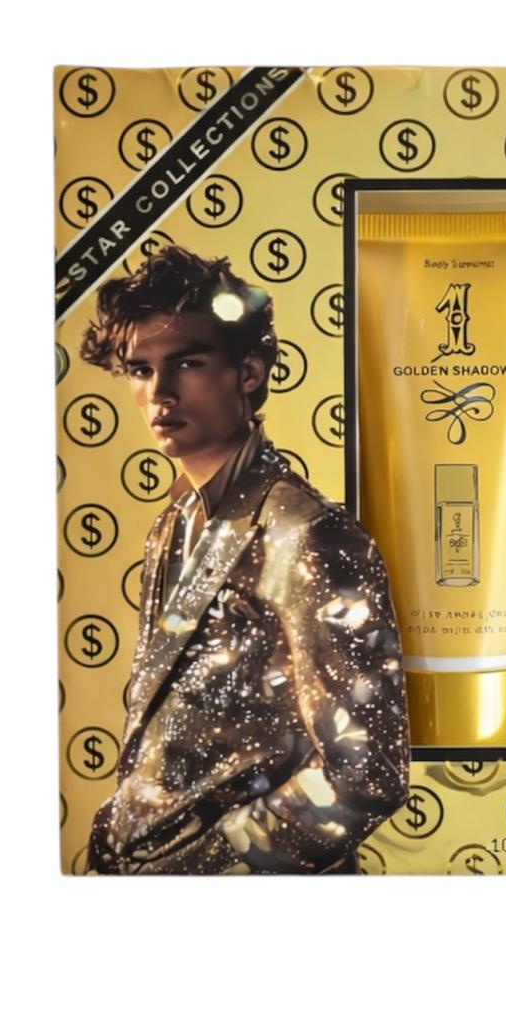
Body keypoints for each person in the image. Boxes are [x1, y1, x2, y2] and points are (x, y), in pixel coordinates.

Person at [78, 245, 409, 873]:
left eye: (188, 363)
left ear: (248, 373)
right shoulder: (174, 523)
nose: (159, 393)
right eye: (140, 370)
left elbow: (368, 773)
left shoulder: (307, 534)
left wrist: (211, 864)